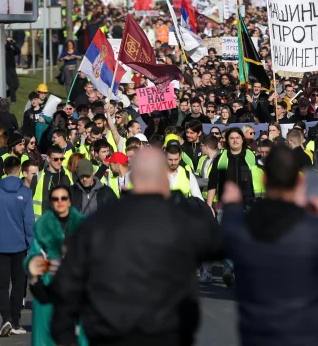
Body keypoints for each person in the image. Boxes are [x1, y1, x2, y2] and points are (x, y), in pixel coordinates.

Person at [50, 146, 224, 346]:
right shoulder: (180, 222)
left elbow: (67, 284)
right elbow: (219, 246)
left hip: (113, 330)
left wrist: (65, 336)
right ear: (163, 181)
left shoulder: (97, 223)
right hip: (164, 331)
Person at [220, 144, 318, 346]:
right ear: (299, 182)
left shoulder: (240, 227)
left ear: (264, 179)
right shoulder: (314, 228)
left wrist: (231, 208)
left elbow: (221, 233)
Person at [26, 184, 86, 346]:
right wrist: (37, 266)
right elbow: (33, 257)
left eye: (64, 198)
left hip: (76, 292)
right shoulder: (42, 227)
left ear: (70, 201)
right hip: (47, 290)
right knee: (45, 339)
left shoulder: (83, 226)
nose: (60, 202)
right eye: (55, 199)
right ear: (51, 202)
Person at [0, 155, 35, 337]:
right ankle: (15, 320)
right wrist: (31, 245)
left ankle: (5, 318)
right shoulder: (26, 193)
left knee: (2, 285)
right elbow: (29, 221)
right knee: (19, 283)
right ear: (20, 170)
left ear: (4, 170)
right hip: (20, 246)